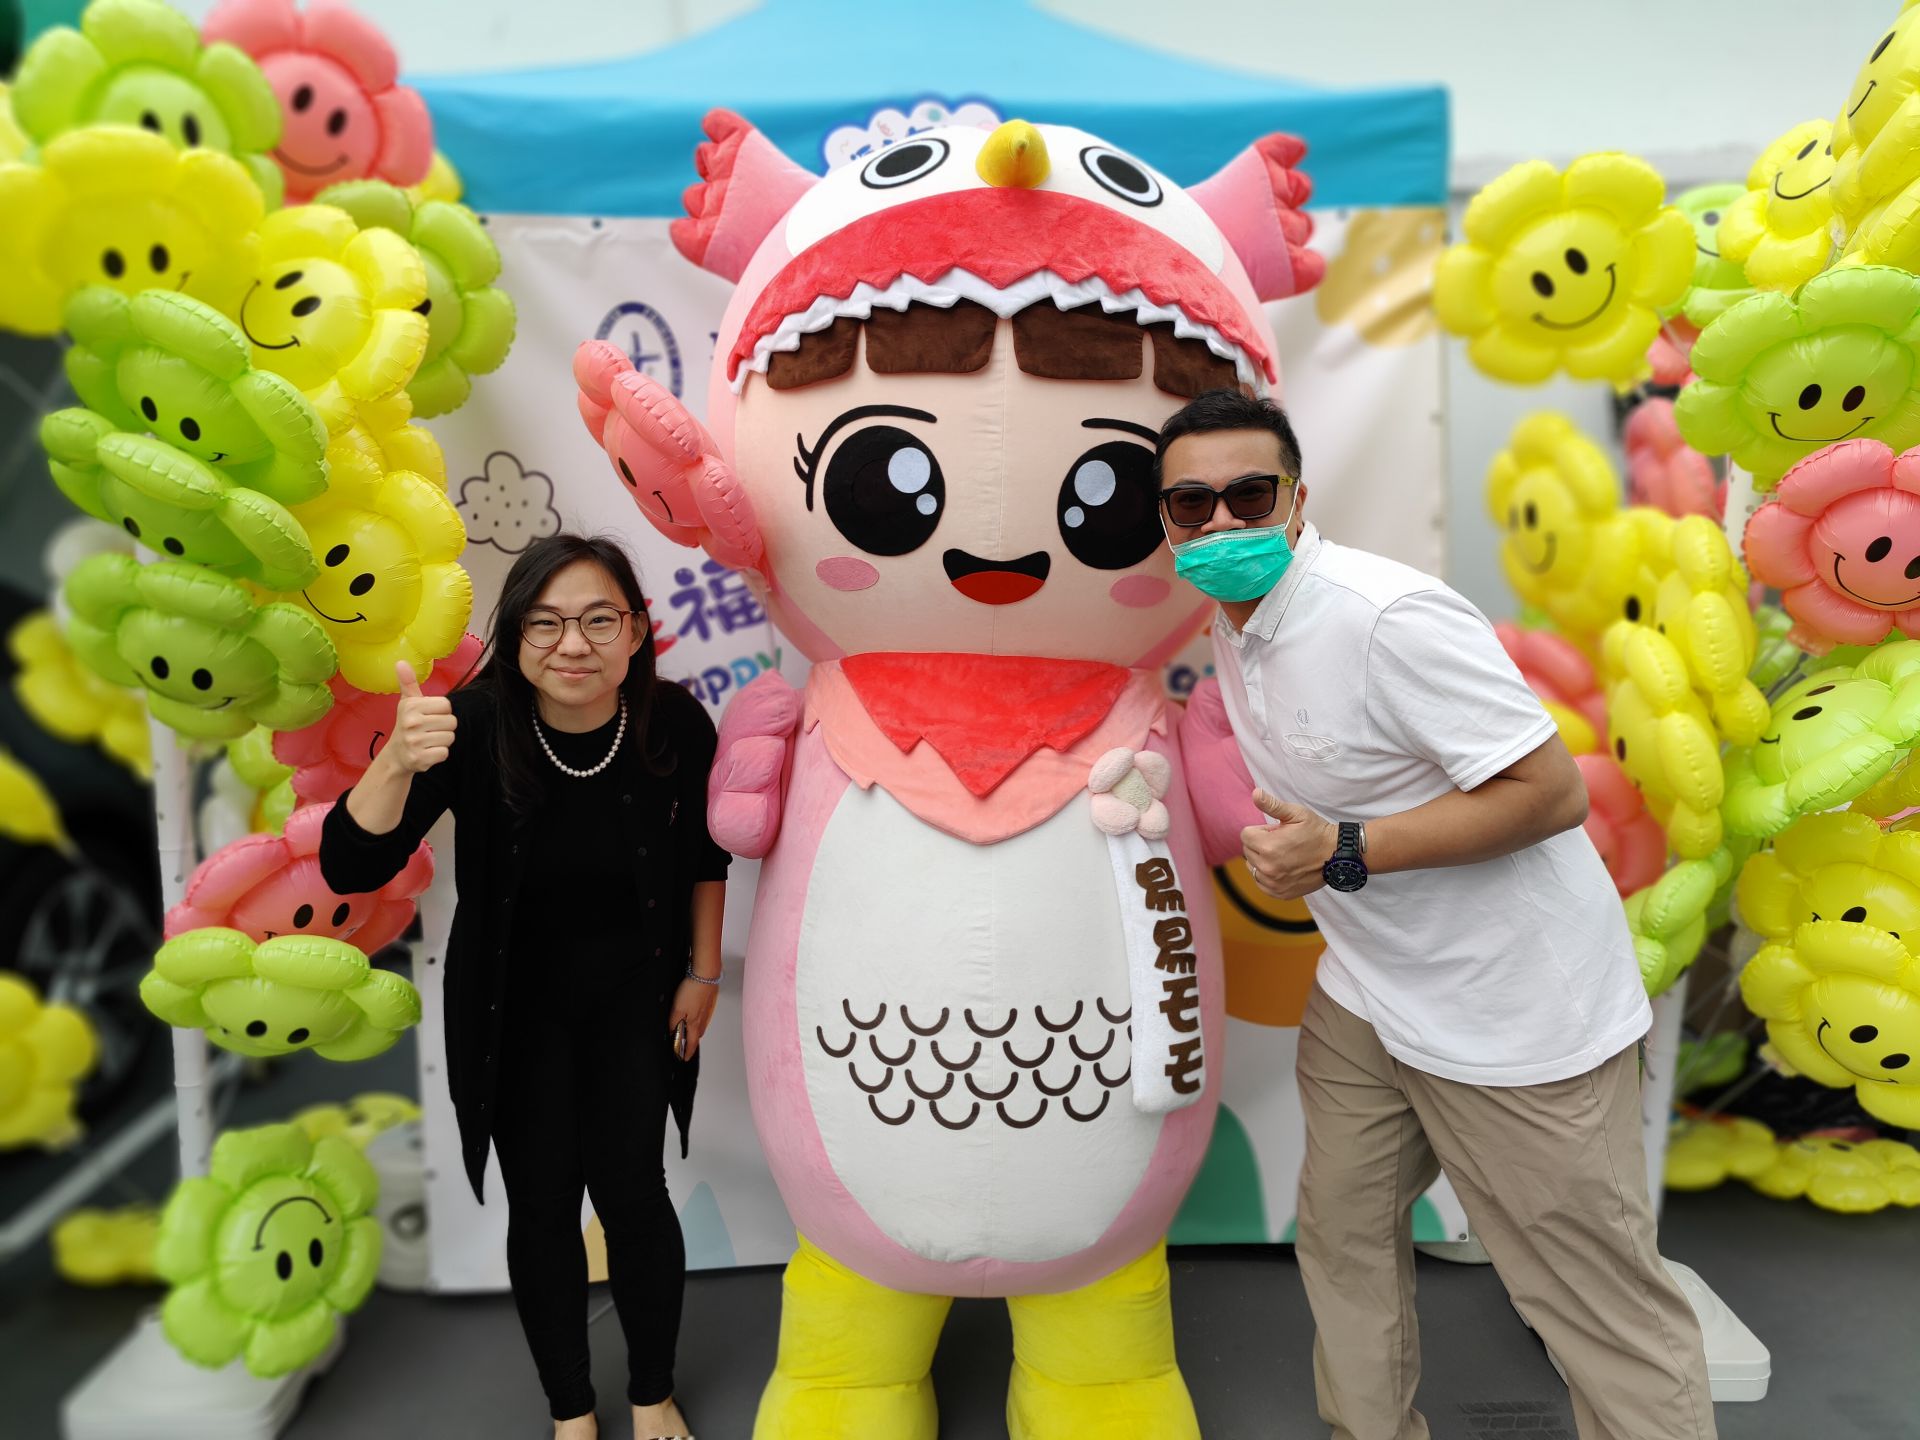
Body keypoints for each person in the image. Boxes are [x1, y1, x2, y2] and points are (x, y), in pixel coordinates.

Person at [1158, 389, 1717, 1440]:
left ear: (1297, 501)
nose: (1222, 521)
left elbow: (1551, 793)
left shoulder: (1385, 618)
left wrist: (1346, 849)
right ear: (1167, 521)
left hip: (1517, 1012)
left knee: (1592, 1297)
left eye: (1249, 495)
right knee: (1343, 1234)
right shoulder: (1234, 624)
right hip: (1369, 989)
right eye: (1193, 503)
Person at [319, 532, 728, 1440]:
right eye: (544, 623)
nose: (572, 644)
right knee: (541, 1208)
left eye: (597, 620)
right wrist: (394, 761)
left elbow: (707, 857)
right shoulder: (471, 725)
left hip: (636, 1003)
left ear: (636, 631)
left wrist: (703, 973)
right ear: (514, 635)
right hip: (513, 1013)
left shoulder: (674, 722)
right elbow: (351, 866)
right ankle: (570, 1410)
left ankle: (653, 1394)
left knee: (635, 1197)